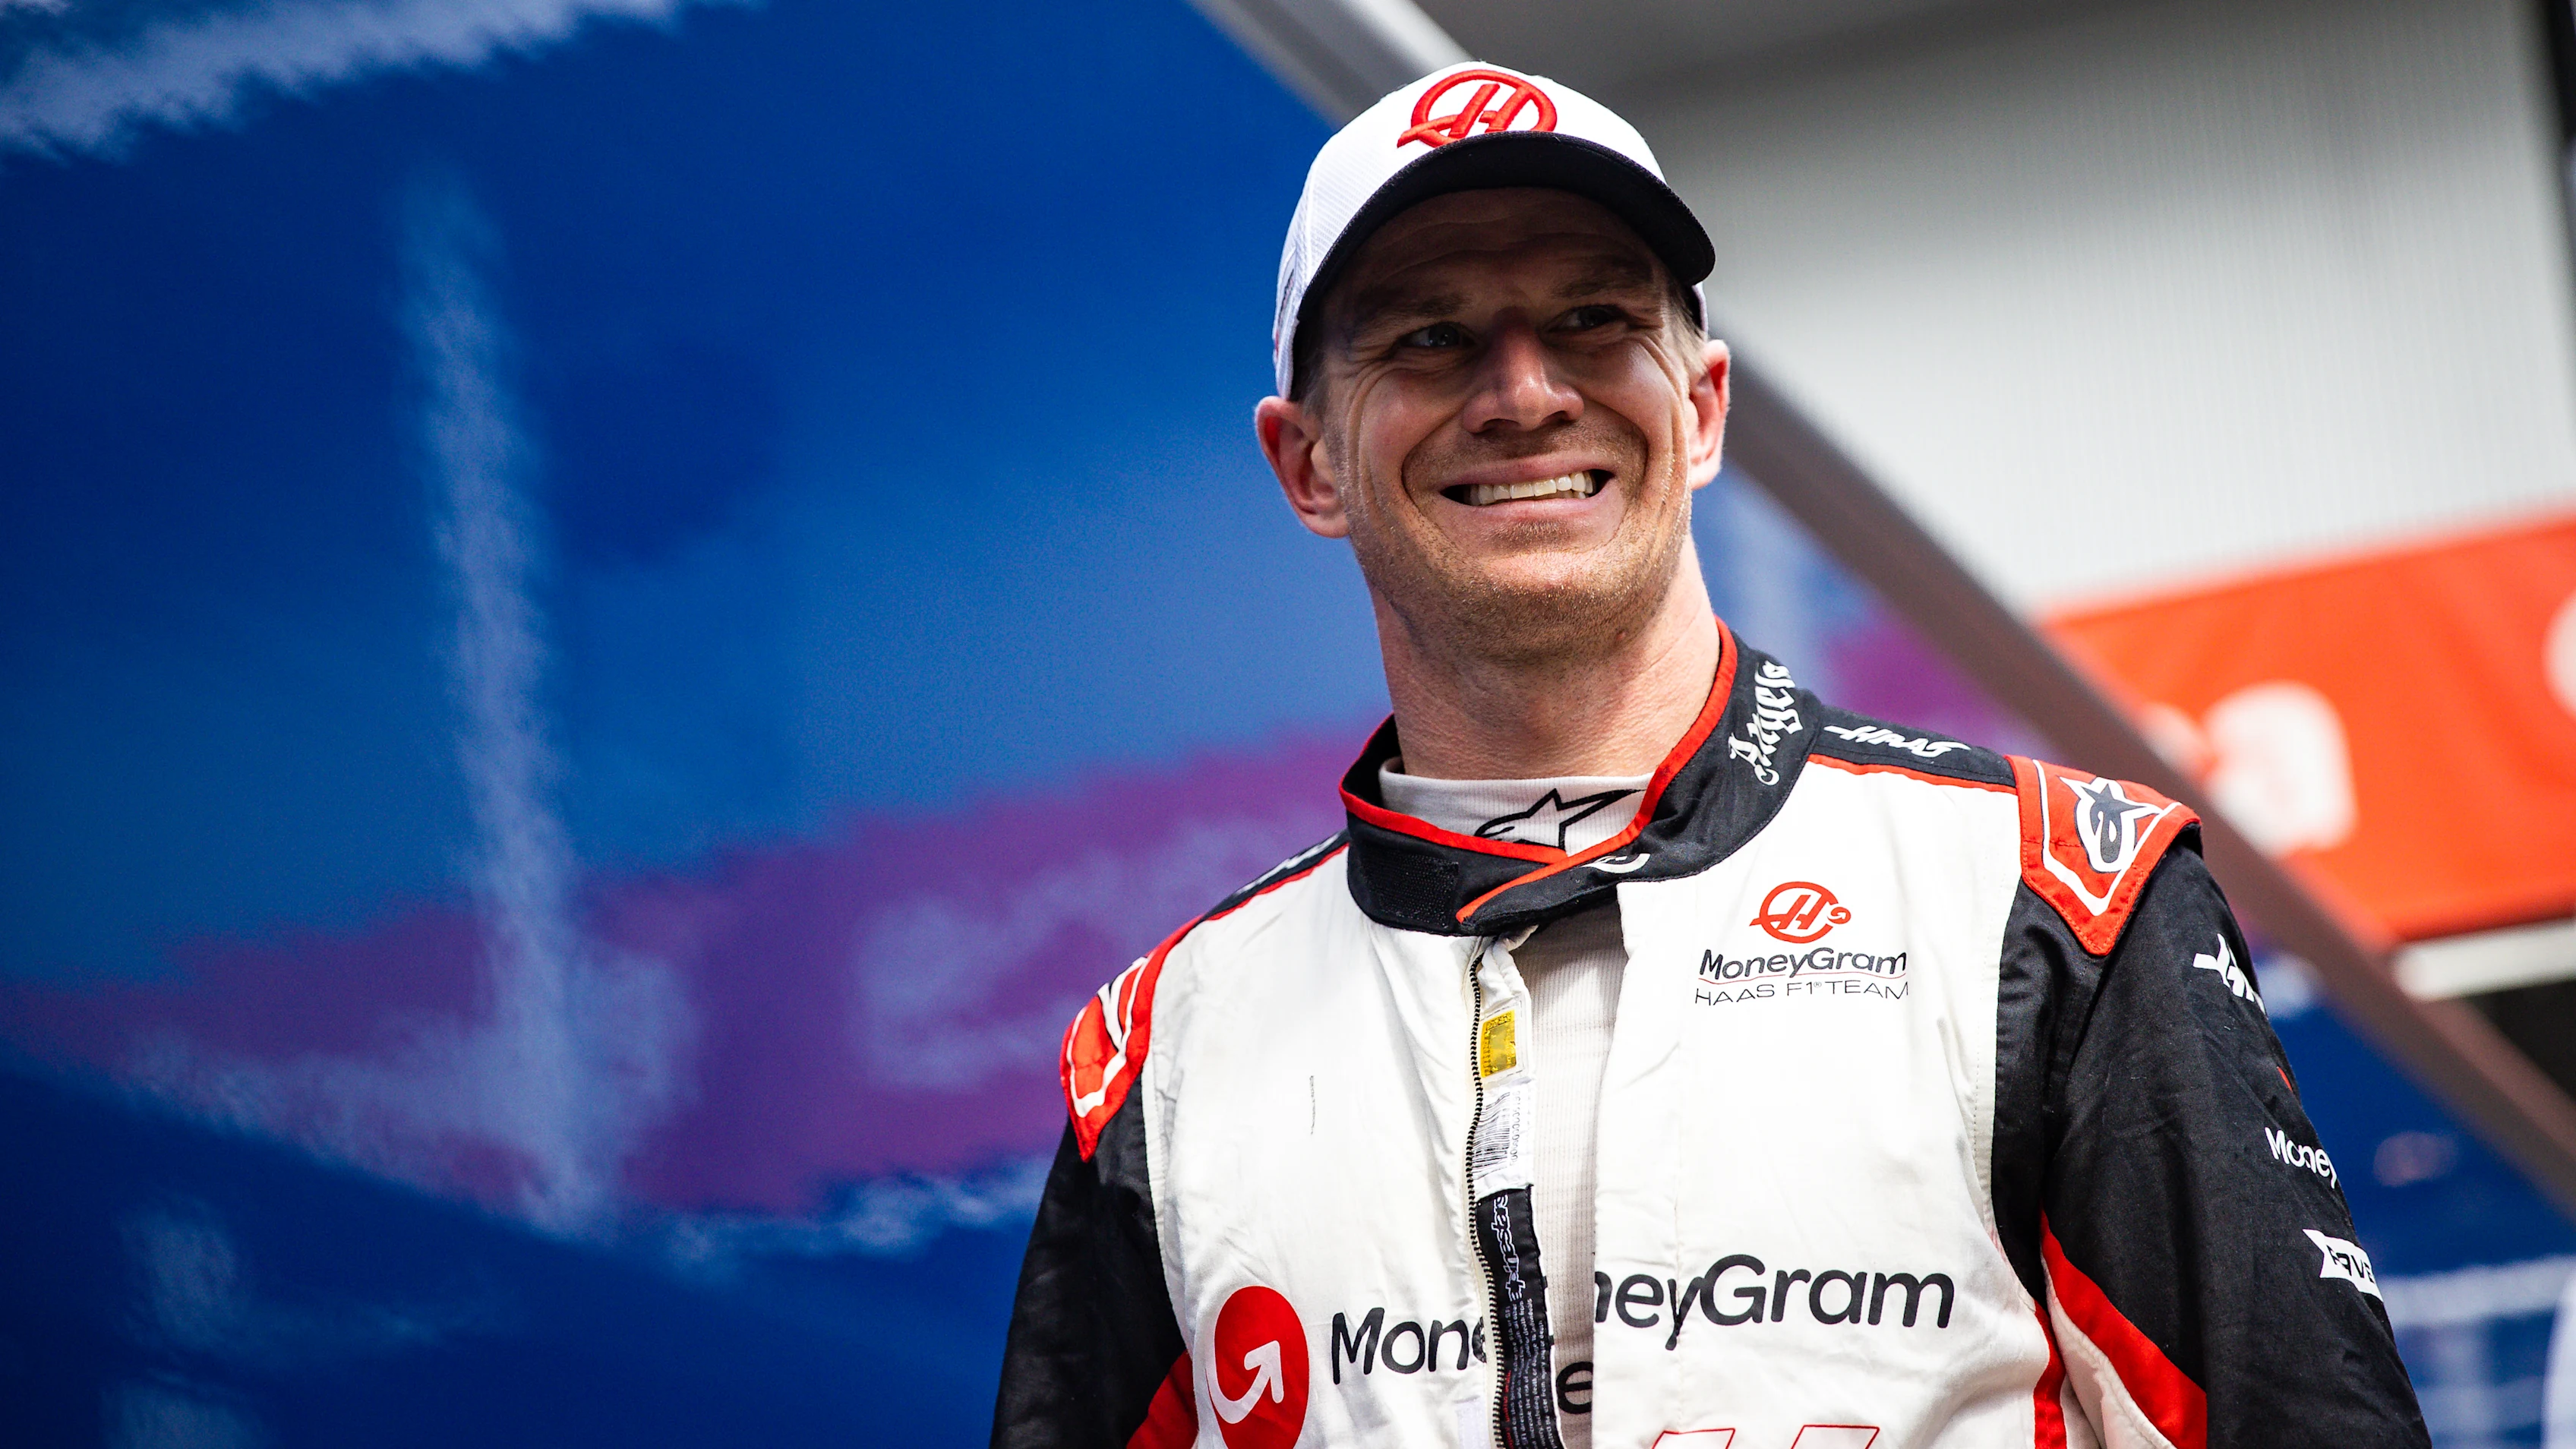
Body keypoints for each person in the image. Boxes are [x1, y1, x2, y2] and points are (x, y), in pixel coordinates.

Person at [991, 62, 2428, 1449]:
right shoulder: (1164, 1048)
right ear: (1307, 462)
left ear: (1703, 406)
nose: (1523, 391)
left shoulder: (2047, 902)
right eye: (1427, 336)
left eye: (1594, 320)